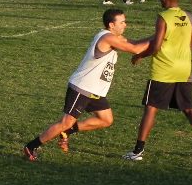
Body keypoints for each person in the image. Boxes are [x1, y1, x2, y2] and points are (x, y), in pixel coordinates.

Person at [23, 9, 150, 161]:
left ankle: (69, 131)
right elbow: (135, 49)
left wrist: (159, 35)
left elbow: (135, 43)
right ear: (111, 25)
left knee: (106, 120)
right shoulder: (107, 37)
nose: (125, 25)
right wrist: (162, 35)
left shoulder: (114, 36)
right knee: (65, 122)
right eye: (121, 22)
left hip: (95, 90)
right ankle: (31, 146)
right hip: (82, 88)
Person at [123, 0, 192, 161]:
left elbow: (156, 47)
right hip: (184, 70)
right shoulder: (189, 17)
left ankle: (138, 151)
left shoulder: (163, 17)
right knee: (188, 108)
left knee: (151, 109)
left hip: (163, 70)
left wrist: (139, 56)